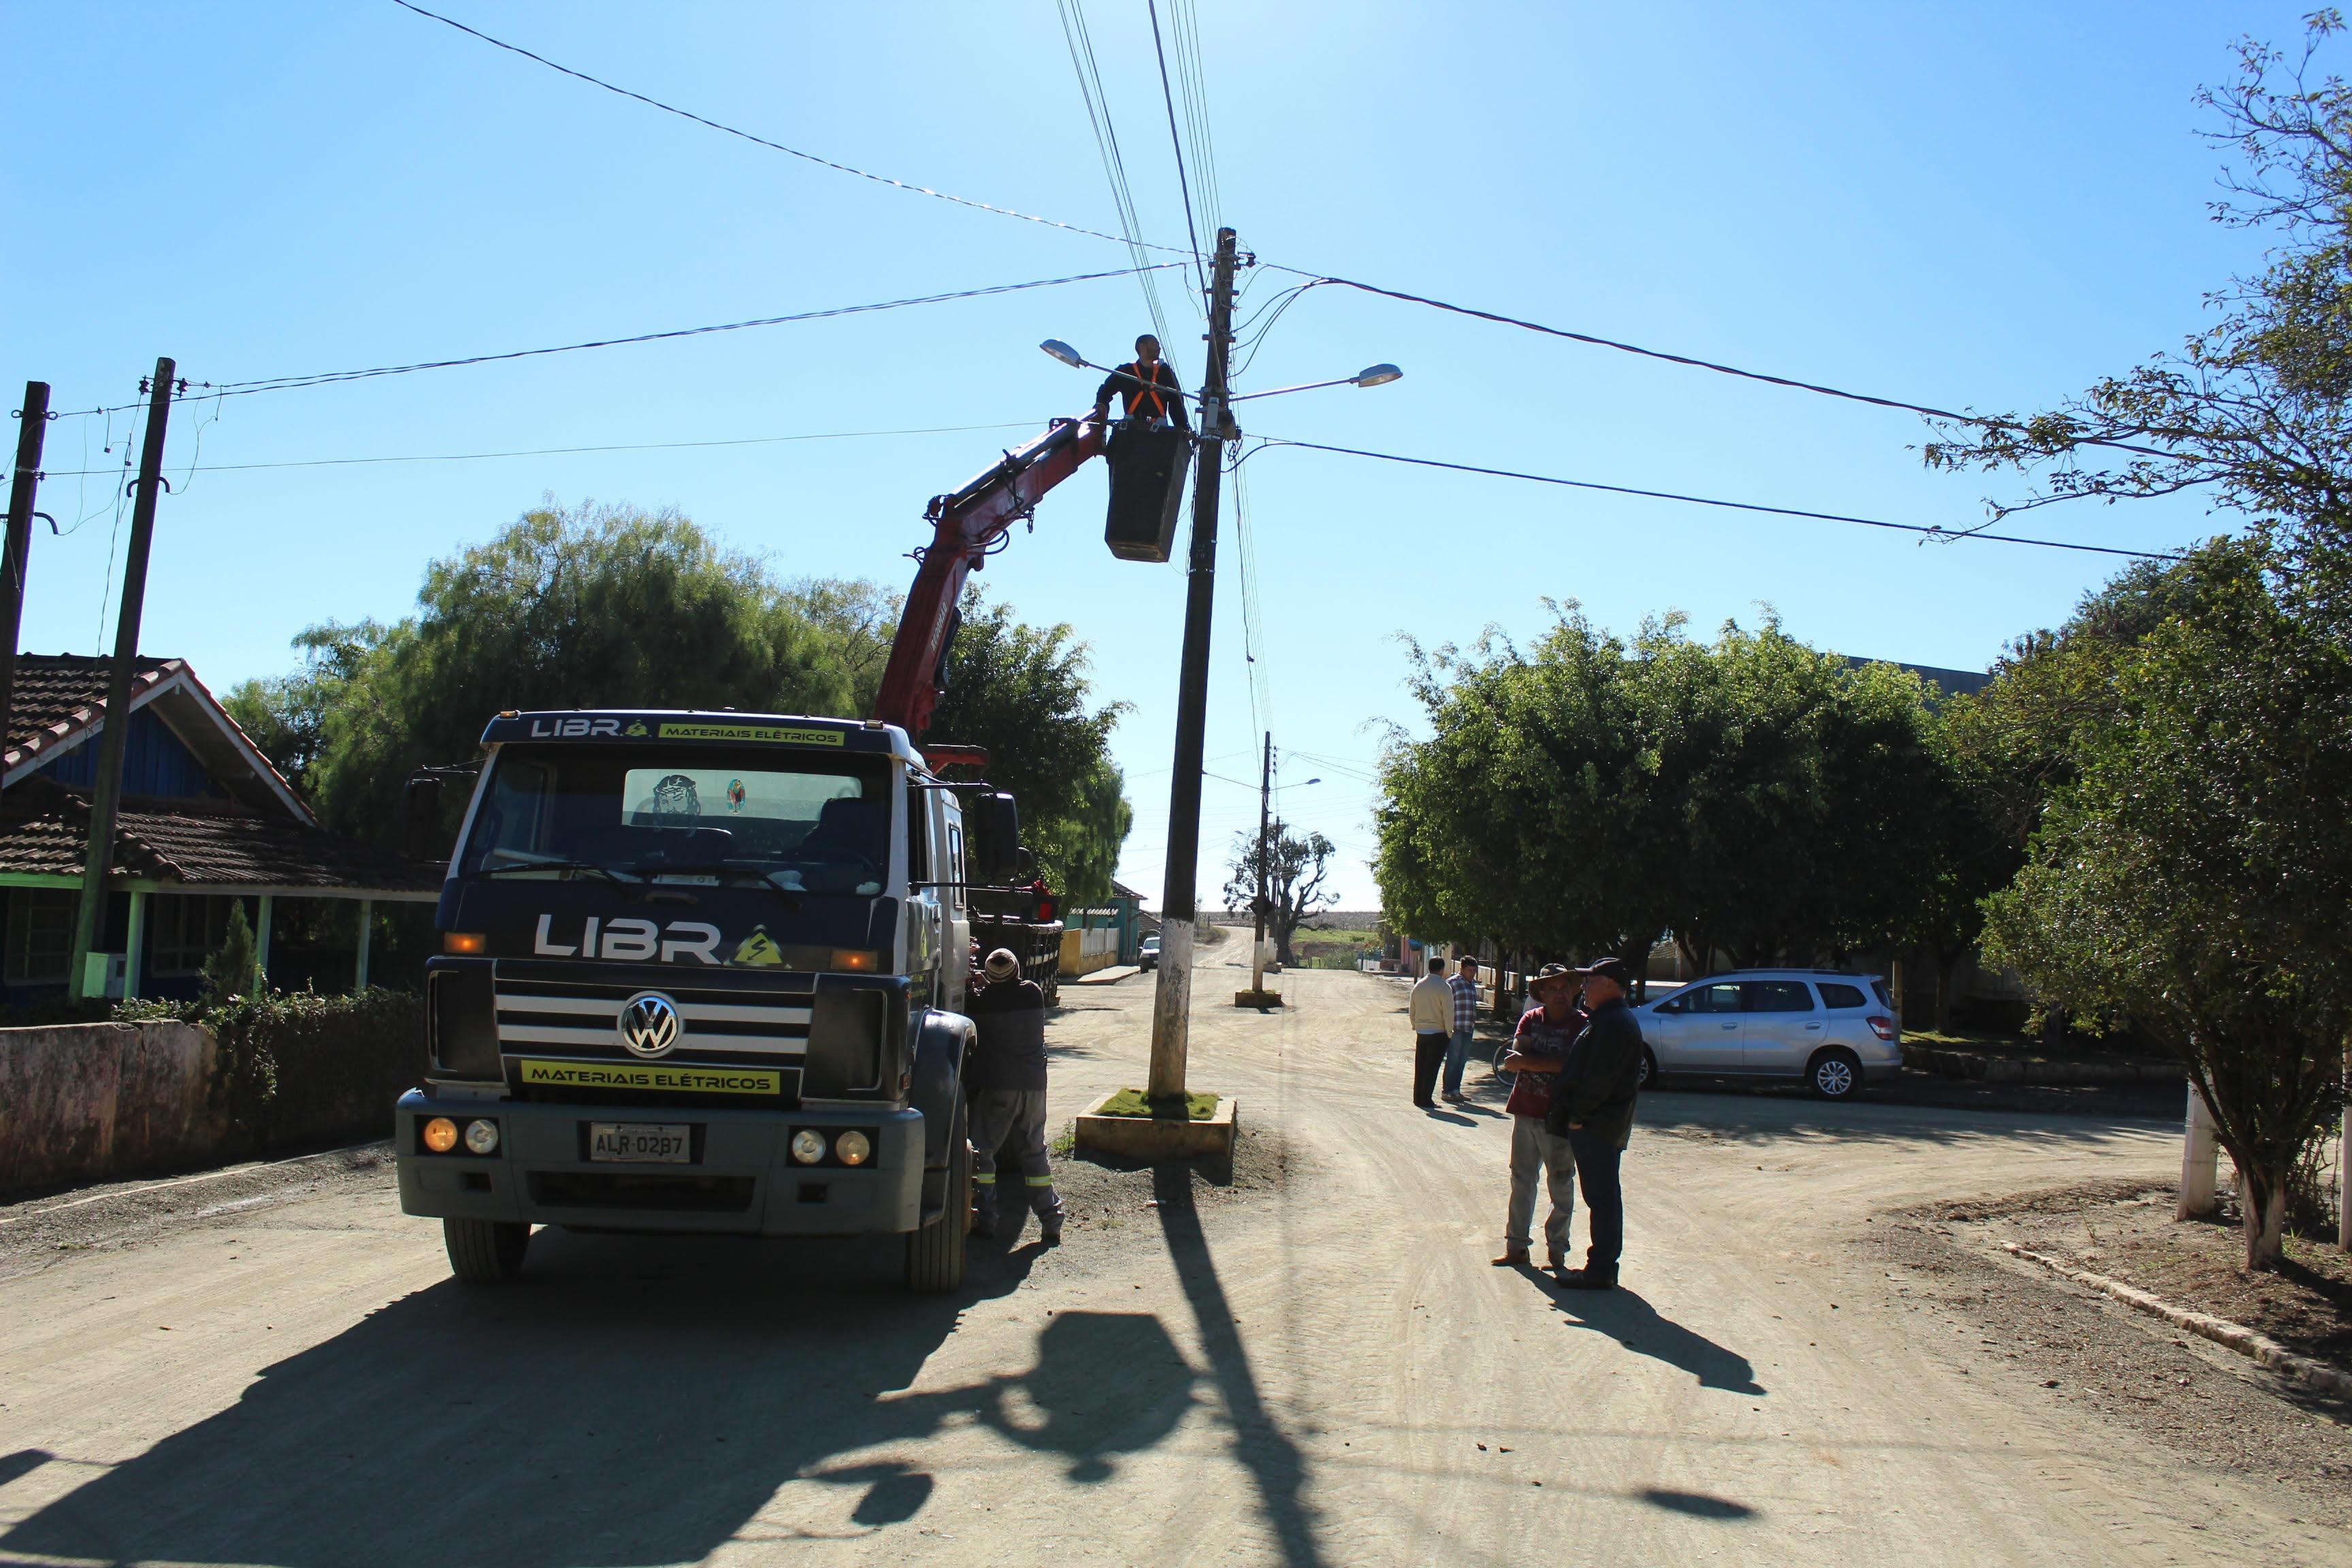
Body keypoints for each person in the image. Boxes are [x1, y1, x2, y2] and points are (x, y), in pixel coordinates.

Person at [1544, 956, 1645, 1289]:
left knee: (1602, 1198)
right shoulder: (1608, 1018)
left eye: (1591, 981)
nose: (1584, 987)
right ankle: (1602, 1266)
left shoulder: (1613, 1023)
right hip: (1600, 1125)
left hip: (1598, 1127)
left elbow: (1600, 1080)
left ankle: (1600, 1269)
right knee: (1603, 1197)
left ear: (1611, 985)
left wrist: (1578, 1117)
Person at [964, 947, 1063, 1243]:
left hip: (999, 1086)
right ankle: (1051, 1219)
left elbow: (987, 999)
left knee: (982, 1152)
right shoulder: (1033, 994)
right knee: (1034, 1151)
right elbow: (1007, 991)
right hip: (1034, 1085)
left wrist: (977, 983)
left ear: (989, 976)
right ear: (1017, 970)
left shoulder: (979, 1002)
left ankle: (986, 1219)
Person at [1492, 963, 1583, 1270]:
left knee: (1561, 1182)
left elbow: (1570, 1064)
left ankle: (1557, 1250)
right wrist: (1543, 1062)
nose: (1560, 994)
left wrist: (1530, 1062)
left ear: (1573, 992)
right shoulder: (1531, 1019)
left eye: (1565, 988)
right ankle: (1516, 1246)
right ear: (1542, 993)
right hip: (1526, 1110)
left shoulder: (1582, 1025)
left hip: (1559, 1117)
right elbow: (1513, 1060)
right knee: (1521, 1180)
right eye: (1553, 988)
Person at [1091, 334, 1191, 430]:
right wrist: (1100, 416)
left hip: (1160, 432)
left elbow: (1176, 402)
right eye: (1154, 344)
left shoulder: (1165, 373)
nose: (1159, 348)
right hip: (1132, 431)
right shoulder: (1126, 371)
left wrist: (1183, 428)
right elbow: (1104, 392)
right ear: (1142, 347)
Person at [1407, 953, 1452, 1108]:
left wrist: (1415, 1024)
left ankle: (1417, 1097)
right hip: (1438, 1032)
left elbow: (1412, 1009)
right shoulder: (1444, 987)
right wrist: (1449, 1031)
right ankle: (1426, 1099)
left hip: (1422, 1031)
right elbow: (1448, 1012)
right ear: (1442, 969)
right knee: (1432, 1068)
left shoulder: (1419, 986)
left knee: (1420, 1066)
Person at [1442, 956, 1482, 1103]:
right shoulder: (1452, 983)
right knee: (1453, 1059)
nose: (1472, 973)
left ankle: (1456, 1090)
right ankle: (1447, 1091)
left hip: (1468, 1027)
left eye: (1474, 971)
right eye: (1469, 970)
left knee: (1462, 1060)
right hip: (1456, 1027)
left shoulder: (1472, 984)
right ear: (1462, 969)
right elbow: (1444, 1004)